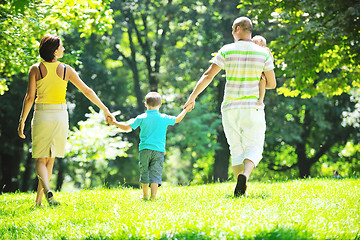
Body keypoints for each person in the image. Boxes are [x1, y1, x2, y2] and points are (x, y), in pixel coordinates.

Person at [17, 34, 115, 206]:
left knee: (40, 158)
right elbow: (87, 91)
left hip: (42, 114)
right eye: (61, 46)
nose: (63, 49)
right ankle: (40, 201)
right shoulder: (66, 69)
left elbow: (29, 98)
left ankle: (45, 195)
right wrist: (104, 109)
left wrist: (22, 121)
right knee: (50, 158)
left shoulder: (36, 69)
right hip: (60, 116)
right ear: (54, 50)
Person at [184, 17, 276, 197]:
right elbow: (272, 84)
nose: (232, 33)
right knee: (255, 146)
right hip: (252, 107)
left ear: (238, 29)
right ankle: (245, 176)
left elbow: (208, 75)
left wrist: (192, 97)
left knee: (236, 148)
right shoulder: (263, 53)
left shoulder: (226, 50)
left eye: (233, 30)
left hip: (230, 107)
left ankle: (239, 190)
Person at [109, 92, 191, 200]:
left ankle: (145, 195)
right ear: (160, 104)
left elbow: (126, 127)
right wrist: (186, 109)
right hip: (159, 150)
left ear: (145, 103)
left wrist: (114, 122)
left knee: (144, 171)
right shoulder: (163, 117)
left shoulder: (141, 117)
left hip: (145, 149)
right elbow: (178, 119)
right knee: (155, 172)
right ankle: (153, 196)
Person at [252, 35, 274, 105]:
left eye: (255, 42)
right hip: (255, 70)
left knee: (262, 83)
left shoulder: (265, 50)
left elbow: (271, 60)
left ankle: (261, 99)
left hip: (263, 72)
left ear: (262, 45)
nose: (253, 44)